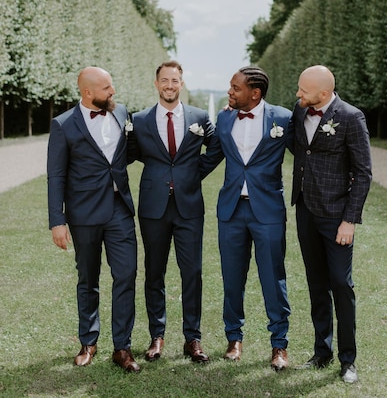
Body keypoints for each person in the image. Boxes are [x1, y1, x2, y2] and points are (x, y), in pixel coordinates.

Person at [47, 66, 140, 372]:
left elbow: (126, 153)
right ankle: (88, 341)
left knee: (126, 275)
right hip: (83, 213)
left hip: (119, 209)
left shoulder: (121, 112)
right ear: (88, 93)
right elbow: (56, 175)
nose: (113, 92)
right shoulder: (63, 125)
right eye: (106, 88)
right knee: (88, 279)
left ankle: (122, 347)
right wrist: (57, 221)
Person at [200, 66, 292, 371]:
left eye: (235, 88)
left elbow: (307, 155)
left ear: (255, 93)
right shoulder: (225, 117)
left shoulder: (283, 118)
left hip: (267, 210)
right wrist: (176, 178)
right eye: (229, 87)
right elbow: (212, 156)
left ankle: (279, 345)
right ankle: (234, 339)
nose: (230, 92)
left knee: (273, 278)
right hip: (231, 211)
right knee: (232, 277)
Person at [127, 60, 216, 363]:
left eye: (174, 81)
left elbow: (216, 148)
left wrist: (192, 173)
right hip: (153, 207)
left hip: (189, 206)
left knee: (193, 273)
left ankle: (193, 338)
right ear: (156, 84)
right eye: (164, 80)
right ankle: (157, 336)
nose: (169, 86)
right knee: (154, 272)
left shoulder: (200, 117)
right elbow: (130, 152)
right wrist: (158, 173)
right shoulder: (139, 120)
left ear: (182, 83)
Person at [291, 65, 372, 384]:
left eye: (303, 90)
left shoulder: (351, 117)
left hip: (337, 216)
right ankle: (321, 352)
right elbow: (299, 148)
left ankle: (348, 360)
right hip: (306, 212)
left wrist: (349, 220)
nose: (297, 94)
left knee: (341, 284)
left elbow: (363, 173)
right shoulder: (300, 112)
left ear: (324, 94)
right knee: (316, 284)